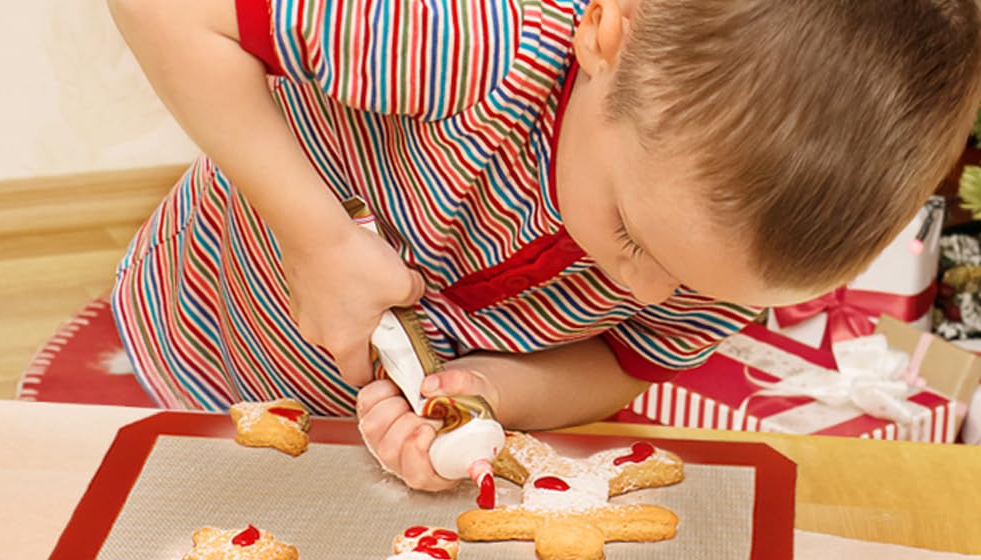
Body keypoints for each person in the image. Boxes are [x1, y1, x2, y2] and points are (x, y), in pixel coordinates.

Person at [107, 0, 981, 489]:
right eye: (634, 236)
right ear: (605, 33)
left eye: (705, 293)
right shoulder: (472, 43)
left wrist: (495, 392)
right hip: (197, 345)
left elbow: (627, 358)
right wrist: (315, 236)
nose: (648, 292)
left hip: (349, 457)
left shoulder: (709, 263)